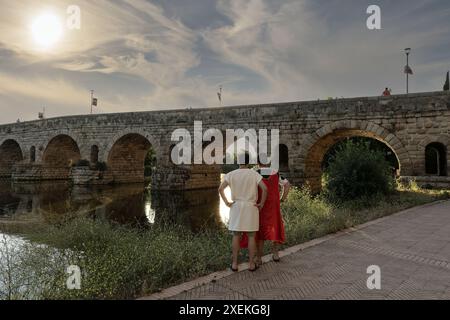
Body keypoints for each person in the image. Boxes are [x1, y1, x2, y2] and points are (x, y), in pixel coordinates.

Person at [218, 153, 268, 272]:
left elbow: (220, 189)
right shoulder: (254, 174)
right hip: (251, 207)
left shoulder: (231, 174)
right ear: (248, 162)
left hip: (236, 206)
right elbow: (265, 189)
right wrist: (261, 203)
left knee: (236, 235)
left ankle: (235, 264)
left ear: (238, 161)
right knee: (251, 236)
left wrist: (226, 202)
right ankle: (251, 264)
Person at [241, 161, 291, 265]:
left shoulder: (254, 172)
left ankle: (259, 258)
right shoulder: (276, 173)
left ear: (258, 162)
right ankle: (276, 254)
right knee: (275, 227)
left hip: (260, 205)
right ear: (268, 162)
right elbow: (287, 185)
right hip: (273, 205)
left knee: (260, 231)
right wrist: (282, 199)